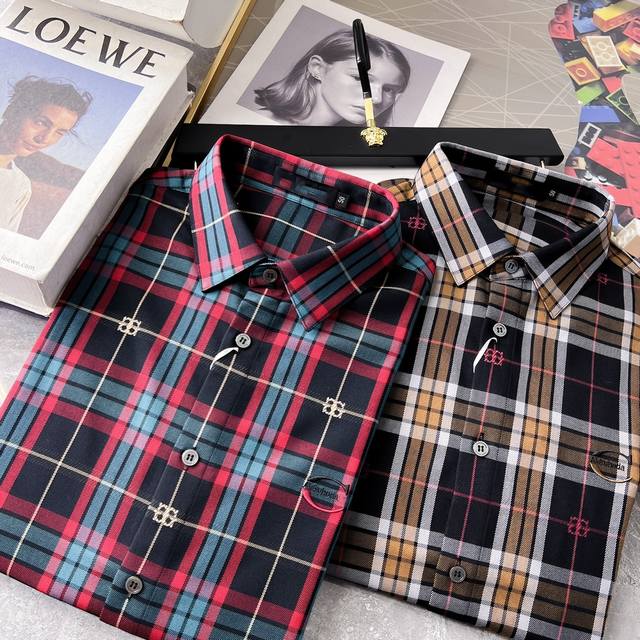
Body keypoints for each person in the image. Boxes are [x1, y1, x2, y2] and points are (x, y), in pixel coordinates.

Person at [254, 29, 411, 126]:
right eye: (360, 79)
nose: (376, 99)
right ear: (317, 68)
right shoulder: (261, 124)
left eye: (389, 89)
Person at [0, 76, 92, 233]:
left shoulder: (21, 186)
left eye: (59, 132)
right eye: (41, 122)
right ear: (13, 111)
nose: (44, 139)